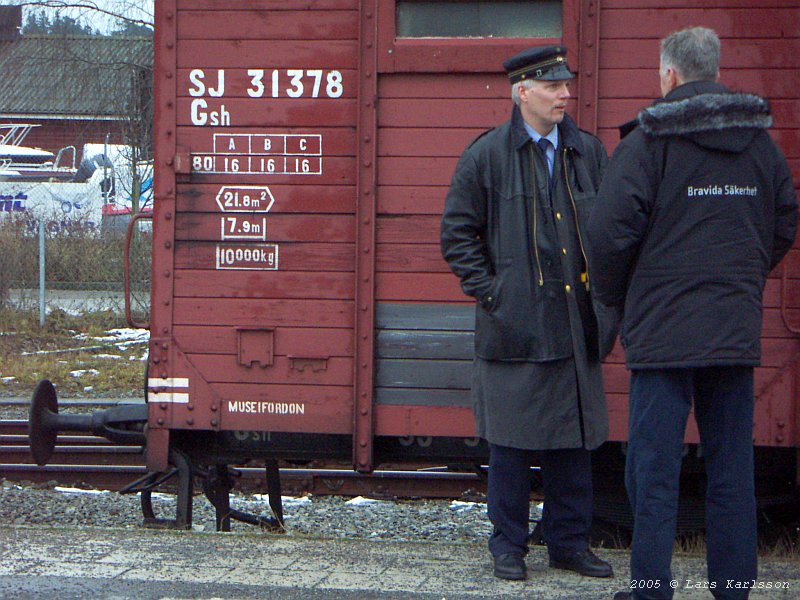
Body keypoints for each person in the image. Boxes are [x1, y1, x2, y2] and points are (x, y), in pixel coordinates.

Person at [585, 27, 798, 600]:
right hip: (731, 331)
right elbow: (783, 221)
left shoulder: (647, 143)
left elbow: (606, 237)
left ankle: (652, 588)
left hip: (661, 334)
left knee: (653, 474)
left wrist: (617, 297)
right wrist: (743, 277)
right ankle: (732, 588)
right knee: (732, 471)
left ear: (669, 75)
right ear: (715, 70)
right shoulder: (759, 146)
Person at [441, 45, 614, 581]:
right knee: (511, 448)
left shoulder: (588, 151)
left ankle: (568, 543)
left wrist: (606, 304)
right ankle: (508, 547)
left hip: (575, 323)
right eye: (553, 86)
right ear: (523, 92)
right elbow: (457, 236)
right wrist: (496, 293)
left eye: (566, 85)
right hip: (513, 327)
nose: (566, 94)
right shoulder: (486, 155)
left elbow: (610, 229)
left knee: (573, 444)